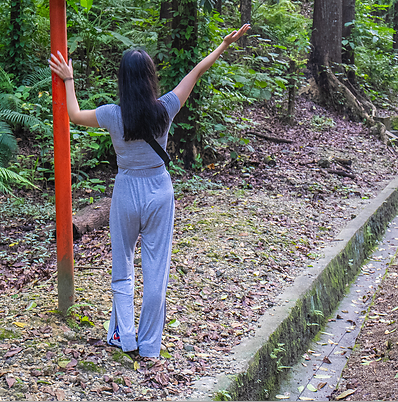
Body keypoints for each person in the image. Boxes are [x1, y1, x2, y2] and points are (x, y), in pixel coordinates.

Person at [48, 23, 250, 359]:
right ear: (150, 77)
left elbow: (72, 114)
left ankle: (124, 338)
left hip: (126, 189)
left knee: (123, 267)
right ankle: (150, 346)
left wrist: (69, 79)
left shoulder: (113, 115)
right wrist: (224, 44)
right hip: (159, 190)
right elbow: (196, 72)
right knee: (156, 270)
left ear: (123, 81)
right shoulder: (165, 108)